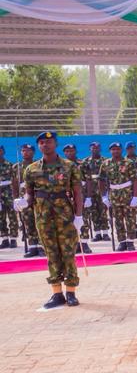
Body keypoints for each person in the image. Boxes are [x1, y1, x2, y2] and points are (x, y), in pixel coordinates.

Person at [12, 131, 83, 308]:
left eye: (49, 142)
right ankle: (57, 293)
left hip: (65, 216)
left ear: (56, 144)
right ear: (39, 146)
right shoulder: (31, 169)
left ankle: (71, 292)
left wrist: (79, 216)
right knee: (51, 253)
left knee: (68, 253)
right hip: (43, 216)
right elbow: (30, 194)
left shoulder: (69, 166)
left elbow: (77, 192)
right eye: (42, 142)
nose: (45, 145)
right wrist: (23, 202)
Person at [63, 144, 92, 253]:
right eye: (67, 151)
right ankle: (73, 243)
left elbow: (88, 180)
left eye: (71, 151)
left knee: (83, 217)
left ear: (75, 151)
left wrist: (89, 197)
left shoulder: (83, 164)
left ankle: (84, 243)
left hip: (81, 194)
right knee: (68, 219)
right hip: (67, 195)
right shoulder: (61, 165)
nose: (69, 153)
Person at [17, 143, 44, 256]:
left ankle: (42, 246)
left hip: (38, 196)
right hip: (24, 198)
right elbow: (14, 184)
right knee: (28, 221)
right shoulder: (17, 167)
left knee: (40, 221)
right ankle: (33, 247)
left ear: (33, 152)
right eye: (23, 151)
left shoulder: (39, 165)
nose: (25, 153)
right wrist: (16, 199)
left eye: (28, 151)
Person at [81, 141, 109, 242]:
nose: (95, 149)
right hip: (90, 190)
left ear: (100, 149)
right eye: (93, 148)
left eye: (97, 148)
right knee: (94, 212)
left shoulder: (105, 161)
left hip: (103, 189)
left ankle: (105, 233)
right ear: (90, 149)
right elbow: (83, 176)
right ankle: (97, 233)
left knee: (103, 211)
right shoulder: (85, 161)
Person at [0, 145, 18, 248]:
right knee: (0, 217)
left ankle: (13, 238)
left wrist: (15, 195)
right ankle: (4, 238)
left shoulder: (10, 165)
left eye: (0, 151)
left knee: (12, 216)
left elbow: (15, 180)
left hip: (9, 192)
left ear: (3, 152)